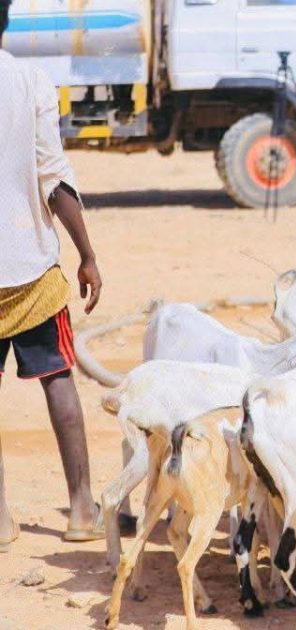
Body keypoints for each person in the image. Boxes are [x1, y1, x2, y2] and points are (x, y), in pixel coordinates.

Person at [0, 0, 105, 551]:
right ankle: (82, 510)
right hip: (29, 269)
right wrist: (86, 254)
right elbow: (53, 178)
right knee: (58, 378)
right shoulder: (31, 82)